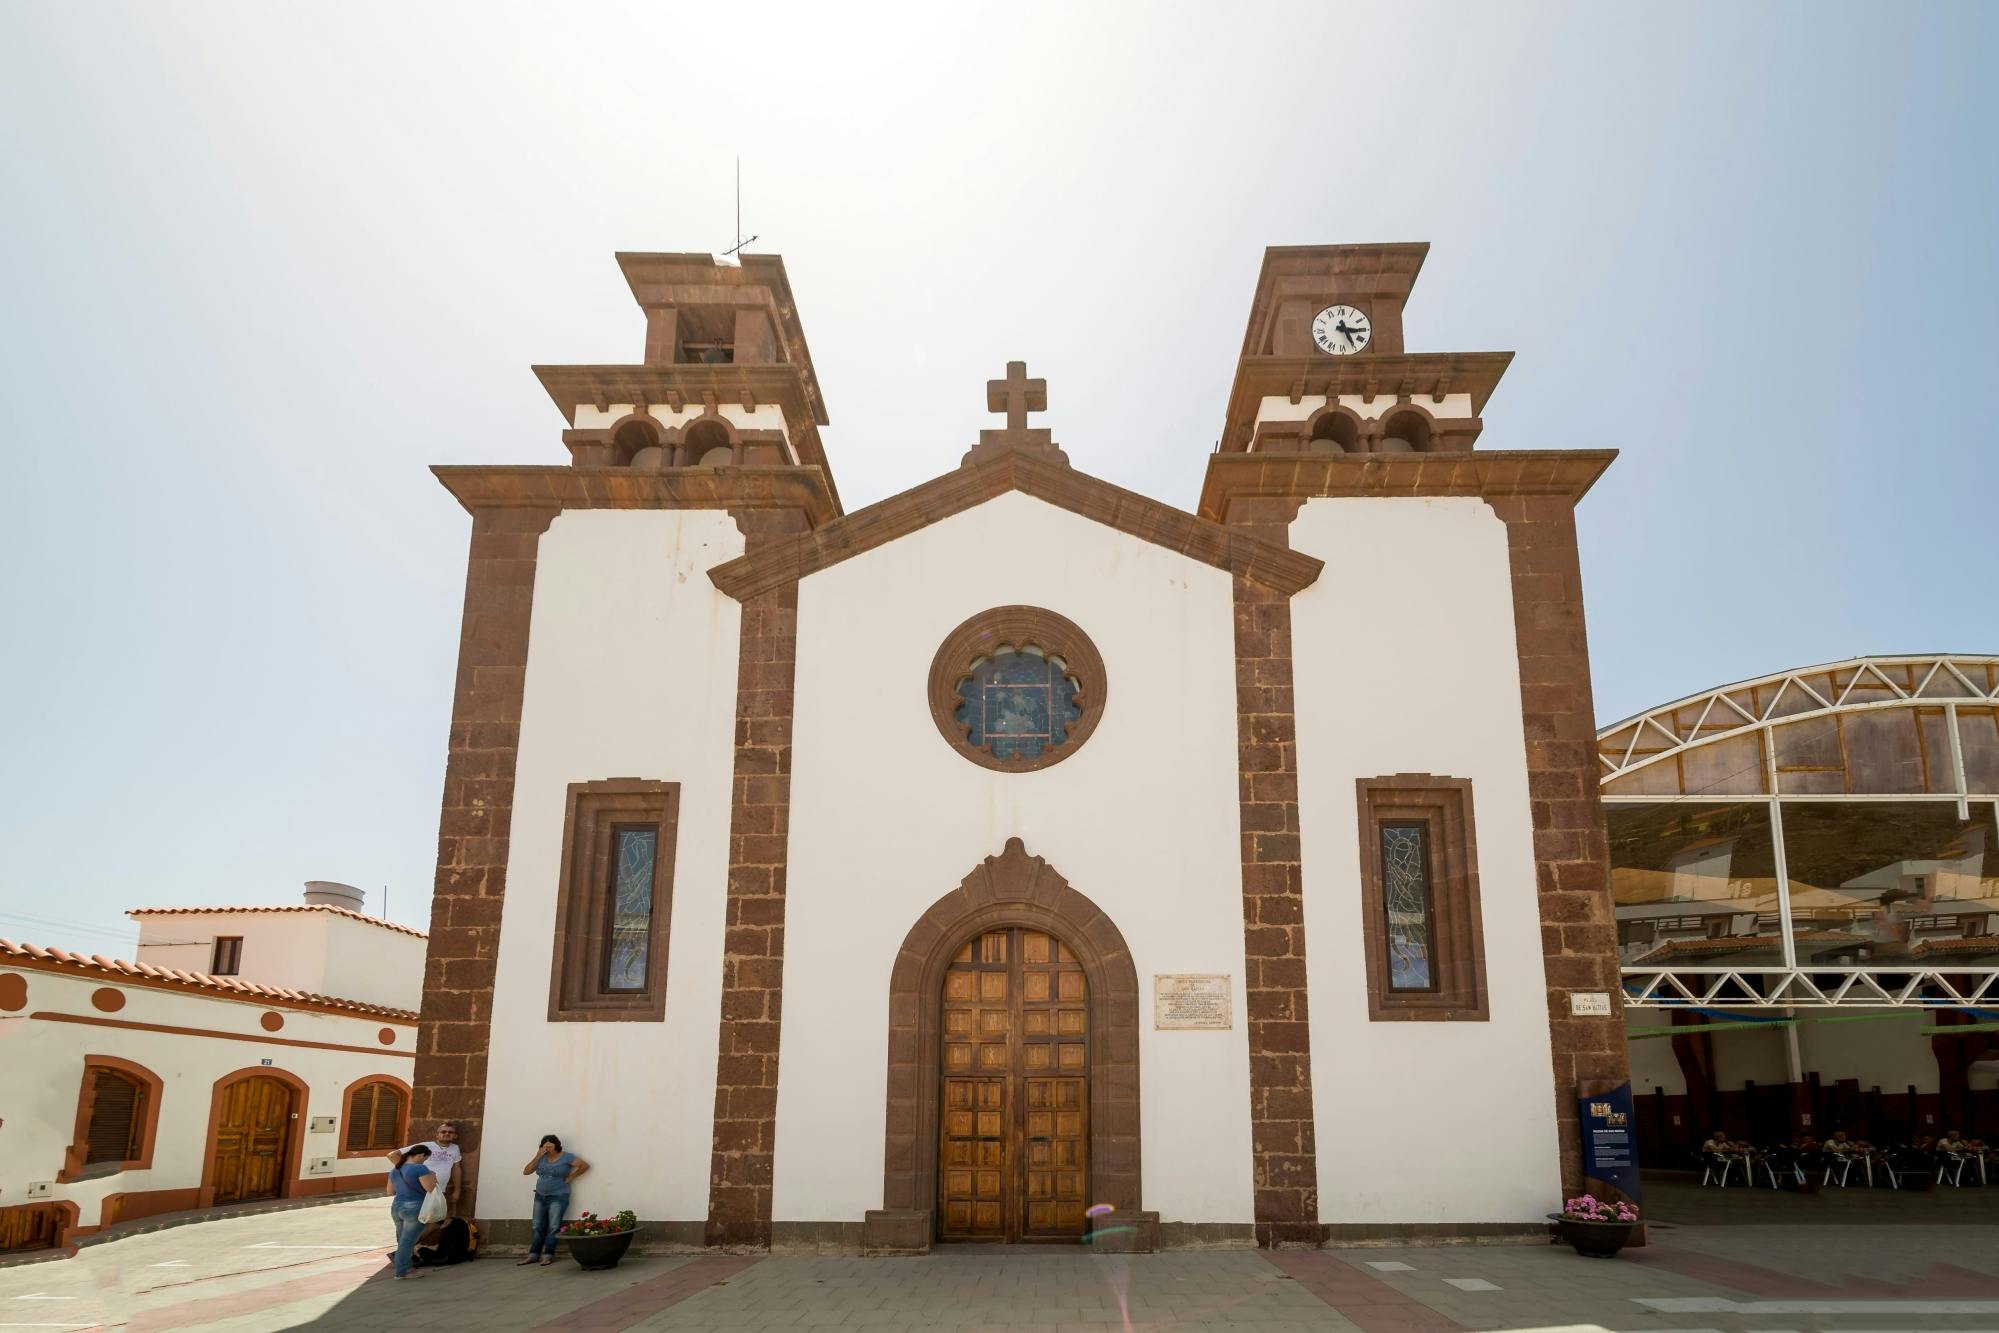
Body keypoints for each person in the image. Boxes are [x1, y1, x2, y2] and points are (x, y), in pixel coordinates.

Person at [387, 1121, 463, 1246]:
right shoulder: (425, 1146)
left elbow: (456, 1169)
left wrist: (457, 1190)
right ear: (437, 1135)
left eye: (450, 1132)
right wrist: (408, 1170)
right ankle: (405, 1251)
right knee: (414, 1222)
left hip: (437, 1191)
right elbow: (392, 1155)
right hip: (419, 1191)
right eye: (443, 1132)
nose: (447, 1134)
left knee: (438, 1220)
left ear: (454, 1136)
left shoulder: (454, 1149)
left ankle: (404, 1249)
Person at [520, 1135, 591, 1267]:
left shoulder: (566, 1157)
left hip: (558, 1196)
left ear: (556, 1146)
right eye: (544, 1146)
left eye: (550, 1146)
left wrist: (571, 1177)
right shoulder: (541, 1158)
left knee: (553, 1226)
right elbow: (526, 1171)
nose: (547, 1149)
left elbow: (584, 1166)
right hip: (540, 1196)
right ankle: (533, 1254)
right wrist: (537, 1156)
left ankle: (548, 1255)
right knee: (537, 1225)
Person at [388, 1144, 437, 1280]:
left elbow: (389, 1191)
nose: (424, 1161)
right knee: (408, 1241)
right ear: (421, 1155)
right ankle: (402, 1271)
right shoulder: (420, 1168)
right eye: (425, 1158)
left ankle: (407, 1267)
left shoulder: (395, 1169)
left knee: (403, 1239)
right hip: (414, 1206)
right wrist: (432, 1176)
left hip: (396, 1206)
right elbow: (430, 1188)